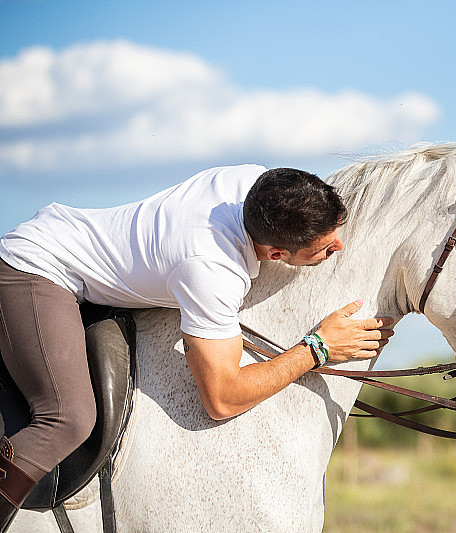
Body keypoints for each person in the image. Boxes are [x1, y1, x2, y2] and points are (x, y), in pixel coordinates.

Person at [0, 165, 393, 528]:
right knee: (67, 419)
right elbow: (221, 398)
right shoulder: (212, 269)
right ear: (275, 255)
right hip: (36, 267)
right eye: (324, 249)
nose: (339, 245)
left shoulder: (259, 187)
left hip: (73, 243)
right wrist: (316, 349)